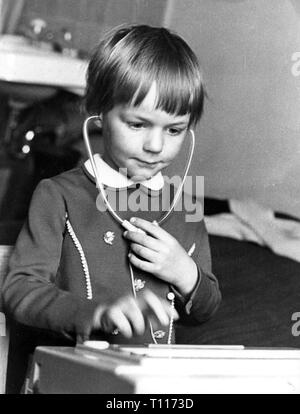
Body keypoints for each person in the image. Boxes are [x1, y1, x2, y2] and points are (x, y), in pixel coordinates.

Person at [2, 25, 221, 360]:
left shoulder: (185, 203)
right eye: (137, 124)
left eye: (175, 129)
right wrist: (97, 313)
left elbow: (205, 309)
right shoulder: (58, 195)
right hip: (74, 373)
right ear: (99, 112)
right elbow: (20, 290)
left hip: (151, 379)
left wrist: (185, 273)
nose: (155, 146)